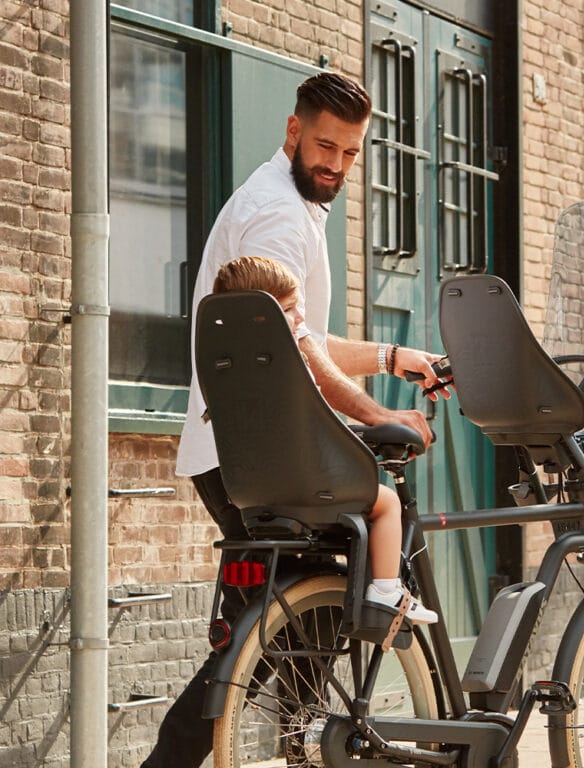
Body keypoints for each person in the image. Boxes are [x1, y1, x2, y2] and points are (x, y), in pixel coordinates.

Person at [142, 71, 444, 768]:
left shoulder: (287, 203)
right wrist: (377, 414)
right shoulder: (278, 213)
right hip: (257, 453)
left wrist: (395, 356)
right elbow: (295, 347)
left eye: (349, 153)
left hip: (240, 448)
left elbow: (306, 333)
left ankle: (303, 743)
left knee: (300, 622)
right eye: (324, 147)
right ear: (292, 132)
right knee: (277, 631)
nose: (335, 165)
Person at [212, 255, 438, 623]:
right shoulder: (290, 364)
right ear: (260, 319)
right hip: (309, 482)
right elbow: (314, 427)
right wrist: (369, 434)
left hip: (251, 488)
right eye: (288, 309)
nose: (301, 319)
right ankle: (386, 591)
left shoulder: (229, 366)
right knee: (387, 504)